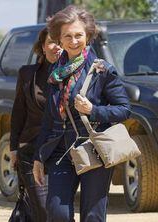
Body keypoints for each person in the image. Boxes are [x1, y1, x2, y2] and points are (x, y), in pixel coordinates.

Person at [32, 5, 130, 222]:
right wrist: (39, 157)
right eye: (67, 36)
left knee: (92, 216)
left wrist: (93, 110)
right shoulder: (55, 72)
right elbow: (49, 117)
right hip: (60, 150)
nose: (73, 41)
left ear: (88, 36)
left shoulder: (103, 70)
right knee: (57, 213)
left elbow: (124, 109)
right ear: (58, 38)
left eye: (79, 35)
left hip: (93, 147)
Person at [9, 27, 61, 221]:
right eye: (51, 42)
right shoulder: (27, 74)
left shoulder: (76, 75)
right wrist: (14, 147)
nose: (57, 47)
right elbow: (18, 113)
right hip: (31, 150)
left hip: (63, 153)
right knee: (43, 211)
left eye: (60, 42)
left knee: (60, 212)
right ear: (43, 47)